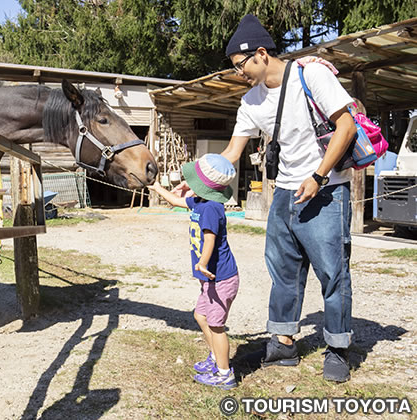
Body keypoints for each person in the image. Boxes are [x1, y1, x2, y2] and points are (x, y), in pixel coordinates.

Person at [220, 14, 357, 382]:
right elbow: (232, 152)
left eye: (240, 65)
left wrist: (318, 175)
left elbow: (347, 126)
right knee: (283, 271)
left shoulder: (311, 75)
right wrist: (198, 178)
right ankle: (282, 342)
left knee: (333, 271)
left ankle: (339, 348)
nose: (239, 74)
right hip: (284, 193)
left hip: (326, 189)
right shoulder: (251, 101)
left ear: (261, 54)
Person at [149, 153, 239, 390]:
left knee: (216, 326)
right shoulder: (198, 203)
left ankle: (224, 373)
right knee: (201, 316)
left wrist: (202, 263)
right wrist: (157, 187)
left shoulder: (211, 208)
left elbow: (210, 240)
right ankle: (215, 357)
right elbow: (177, 201)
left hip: (220, 278)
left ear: (203, 186)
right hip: (210, 279)